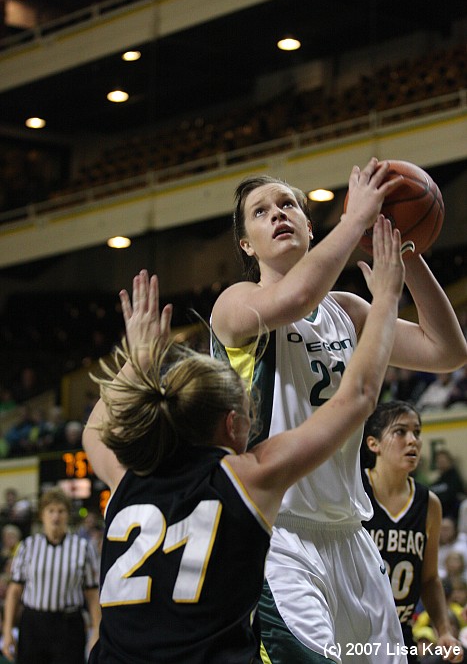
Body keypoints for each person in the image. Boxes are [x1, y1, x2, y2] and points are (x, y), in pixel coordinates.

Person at [82, 216, 405, 664]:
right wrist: (387, 296)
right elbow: (359, 396)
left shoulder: (126, 481)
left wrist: (138, 360)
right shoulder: (243, 480)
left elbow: (94, 430)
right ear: (234, 424)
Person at [210, 158, 467, 664]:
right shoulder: (236, 304)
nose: (278, 214)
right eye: (261, 212)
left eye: (289, 205)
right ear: (246, 244)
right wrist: (355, 223)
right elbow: (298, 292)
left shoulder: (346, 310)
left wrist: (404, 248)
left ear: (309, 225)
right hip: (277, 536)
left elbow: (447, 350)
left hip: (351, 534)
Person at [361, 400, 463, 663]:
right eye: (400, 432)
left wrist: (443, 631)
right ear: (374, 444)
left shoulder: (429, 504)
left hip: (400, 634)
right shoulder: (355, 491)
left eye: (416, 432)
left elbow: (429, 579)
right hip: (355, 633)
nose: (413, 440)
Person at [1, 487, 101, 664]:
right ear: (42, 515)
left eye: (61, 511)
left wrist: (96, 632)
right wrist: (8, 631)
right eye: (51, 511)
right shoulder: (27, 546)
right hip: (34, 624)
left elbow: (92, 595)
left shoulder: (83, 548)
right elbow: (14, 592)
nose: (56, 516)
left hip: (69, 625)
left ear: (67, 515)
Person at [430, 449, 466, 522]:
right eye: (439, 461)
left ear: (450, 461)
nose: (441, 462)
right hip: (438, 516)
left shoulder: (456, 479)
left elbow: (453, 496)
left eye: (443, 460)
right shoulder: (436, 482)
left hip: (452, 517)